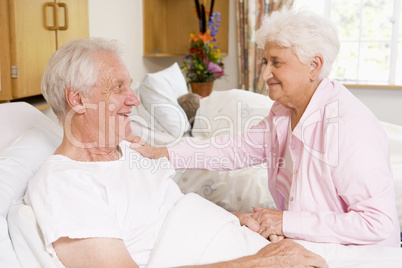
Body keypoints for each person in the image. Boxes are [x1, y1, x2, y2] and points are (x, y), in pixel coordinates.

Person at [24, 38, 327, 268]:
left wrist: (239, 219)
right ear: (76, 99)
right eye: (118, 88)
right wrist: (262, 262)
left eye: (130, 86)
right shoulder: (64, 183)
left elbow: (167, 214)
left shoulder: (129, 152)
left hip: (247, 245)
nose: (134, 100)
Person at [130, 8, 401, 247]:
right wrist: (165, 152)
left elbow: (378, 224)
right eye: (264, 61)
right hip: (316, 246)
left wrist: (287, 223)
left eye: (276, 62)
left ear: (314, 65)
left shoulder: (348, 126)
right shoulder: (284, 111)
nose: (265, 74)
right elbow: (235, 149)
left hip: (361, 255)